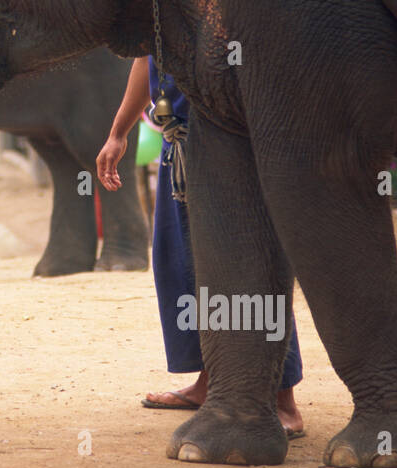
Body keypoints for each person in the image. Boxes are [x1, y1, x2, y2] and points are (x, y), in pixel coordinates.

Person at [96, 57, 305, 437]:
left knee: (252, 268)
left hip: (232, 148)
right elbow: (147, 55)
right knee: (183, 268)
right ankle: (210, 380)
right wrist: (118, 132)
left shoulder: (228, 0)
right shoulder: (157, 1)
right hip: (177, 147)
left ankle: (281, 397)